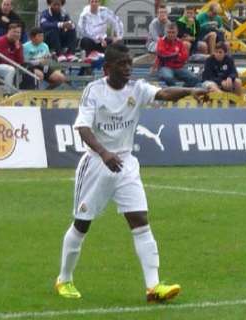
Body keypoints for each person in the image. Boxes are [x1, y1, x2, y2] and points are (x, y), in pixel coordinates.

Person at [55, 41, 209, 302]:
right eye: (122, 64)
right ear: (107, 68)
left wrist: (192, 90)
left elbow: (164, 93)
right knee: (82, 225)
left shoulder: (137, 89)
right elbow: (82, 128)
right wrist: (104, 153)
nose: (128, 68)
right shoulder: (94, 90)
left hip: (126, 163)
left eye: (129, 63)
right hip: (96, 162)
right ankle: (64, 279)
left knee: (140, 221)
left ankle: (153, 286)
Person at [156, 23, 199, 87]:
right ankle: (175, 93)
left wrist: (171, 55)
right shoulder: (161, 41)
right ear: (165, 32)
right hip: (165, 67)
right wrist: (175, 55)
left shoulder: (180, 42)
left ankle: (182, 92)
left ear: (177, 33)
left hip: (178, 68)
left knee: (194, 78)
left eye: (173, 32)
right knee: (169, 78)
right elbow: (161, 54)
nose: (171, 34)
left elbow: (184, 57)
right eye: (169, 32)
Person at [0, 23, 23, 96]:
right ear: (8, 31)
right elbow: (4, 60)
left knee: (18, 71)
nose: (17, 34)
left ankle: (15, 94)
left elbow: (20, 61)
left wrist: (17, 49)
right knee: (10, 69)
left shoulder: (18, 44)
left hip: (13, 67)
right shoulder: (1, 41)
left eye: (18, 32)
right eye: (14, 32)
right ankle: (7, 93)